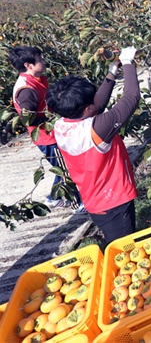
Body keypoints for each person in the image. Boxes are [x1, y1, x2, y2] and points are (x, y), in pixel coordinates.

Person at [46, 47, 140, 244]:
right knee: (123, 248)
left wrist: (114, 69)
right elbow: (131, 98)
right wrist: (129, 62)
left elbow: (95, 106)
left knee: (118, 242)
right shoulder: (95, 129)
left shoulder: (61, 125)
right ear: (87, 109)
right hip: (113, 199)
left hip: (96, 198)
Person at [9, 46, 86, 213]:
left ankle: (54, 197)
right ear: (28, 65)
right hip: (46, 136)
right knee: (66, 169)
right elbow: (28, 118)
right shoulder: (26, 90)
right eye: (39, 59)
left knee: (63, 166)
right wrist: (50, 117)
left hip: (53, 131)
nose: (43, 62)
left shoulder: (37, 79)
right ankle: (77, 204)